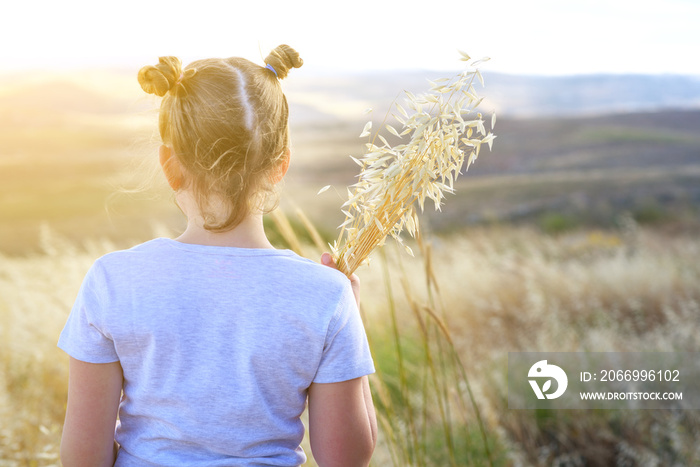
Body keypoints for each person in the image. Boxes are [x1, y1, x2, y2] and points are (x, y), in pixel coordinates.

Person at [58, 45, 377, 467]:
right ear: (280, 165)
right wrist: (352, 317)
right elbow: (347, 459)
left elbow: (82, 458)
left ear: (169, 166)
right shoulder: (326, 295)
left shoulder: (112, 280)